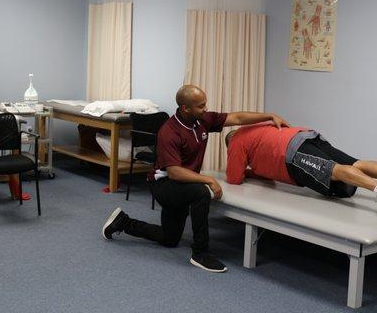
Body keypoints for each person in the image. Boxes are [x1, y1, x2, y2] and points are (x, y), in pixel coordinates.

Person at [101, 85, 289, 273]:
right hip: (164, 184)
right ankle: (200, 253)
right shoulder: (169, 132)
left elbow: (236, 118)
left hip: (183, 182)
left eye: (205, 104)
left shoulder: (201, 120)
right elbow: (174, 172)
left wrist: (269, 116)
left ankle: (123, 222)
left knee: (169, 238)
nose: (205, 109)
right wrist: (208, 180)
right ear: (186, 109)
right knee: (200, 193)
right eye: (201, 106)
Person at [225, 122, 377, 219]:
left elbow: (234, 178)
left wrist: (244, 170)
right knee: (354, 162)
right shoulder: (256, 129)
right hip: (306, 136)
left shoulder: (236, 140)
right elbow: (266, 174)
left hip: (291, 152)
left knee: (332, 170)